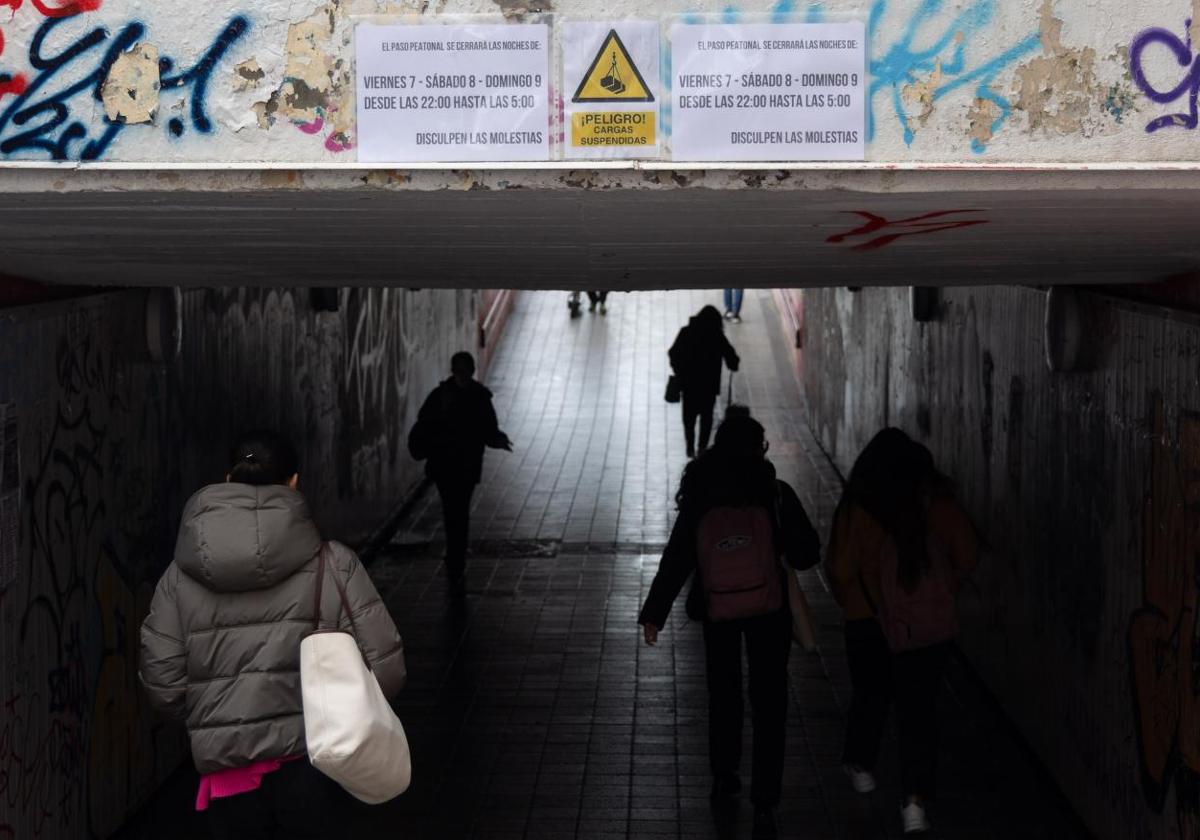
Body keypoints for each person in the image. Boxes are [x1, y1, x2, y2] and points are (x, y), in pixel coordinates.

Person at [139, 430, 407, 839]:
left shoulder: (178, 578)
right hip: (315, 765)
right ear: (295, 482)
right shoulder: (334, 564)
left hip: (227, 777)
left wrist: (216, 721)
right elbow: (388, 670)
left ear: (227, 478)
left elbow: (163, 684)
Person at [639, 411, 821, 837]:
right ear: (759, 449)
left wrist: (654, 614)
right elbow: (806, 554)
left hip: (717, 607)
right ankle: (765, 798)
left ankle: (724, 773)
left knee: (724, 692)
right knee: (769, 700)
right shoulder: (774, 493)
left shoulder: (703, 492)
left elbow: (678, 556)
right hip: (768, 609)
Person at [824, 429, 978, 836]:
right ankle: (914, 803)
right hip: (925, 629)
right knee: (919, 713)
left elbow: (840, 570)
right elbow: (967, 555)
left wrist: (857, 599)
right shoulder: (936, 504)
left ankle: (861, 765)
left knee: (870, 697)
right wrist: (935, 594)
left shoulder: (857, 507)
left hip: (866, 622)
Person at [408, 351, 512, 593]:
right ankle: (457, 551)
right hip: (462, 463)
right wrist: (497, 439)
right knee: (459, 508)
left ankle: (455, 551)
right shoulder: (479, 396)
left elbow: (425, 421)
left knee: (453, 508)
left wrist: (497, 439)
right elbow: (489, 428)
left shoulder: (442, 395)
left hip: (448, 464)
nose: (463, 375)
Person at [669, 305, 740, 458]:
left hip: (689, 385)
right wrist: (733, 364)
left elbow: (673, 352)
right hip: (708, 386)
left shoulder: (686, 332)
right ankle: (702, 448)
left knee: (689, 417)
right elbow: (731, 356)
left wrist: (679, 370)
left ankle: (689, 446)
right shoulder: (716, 336)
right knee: (706, 418)